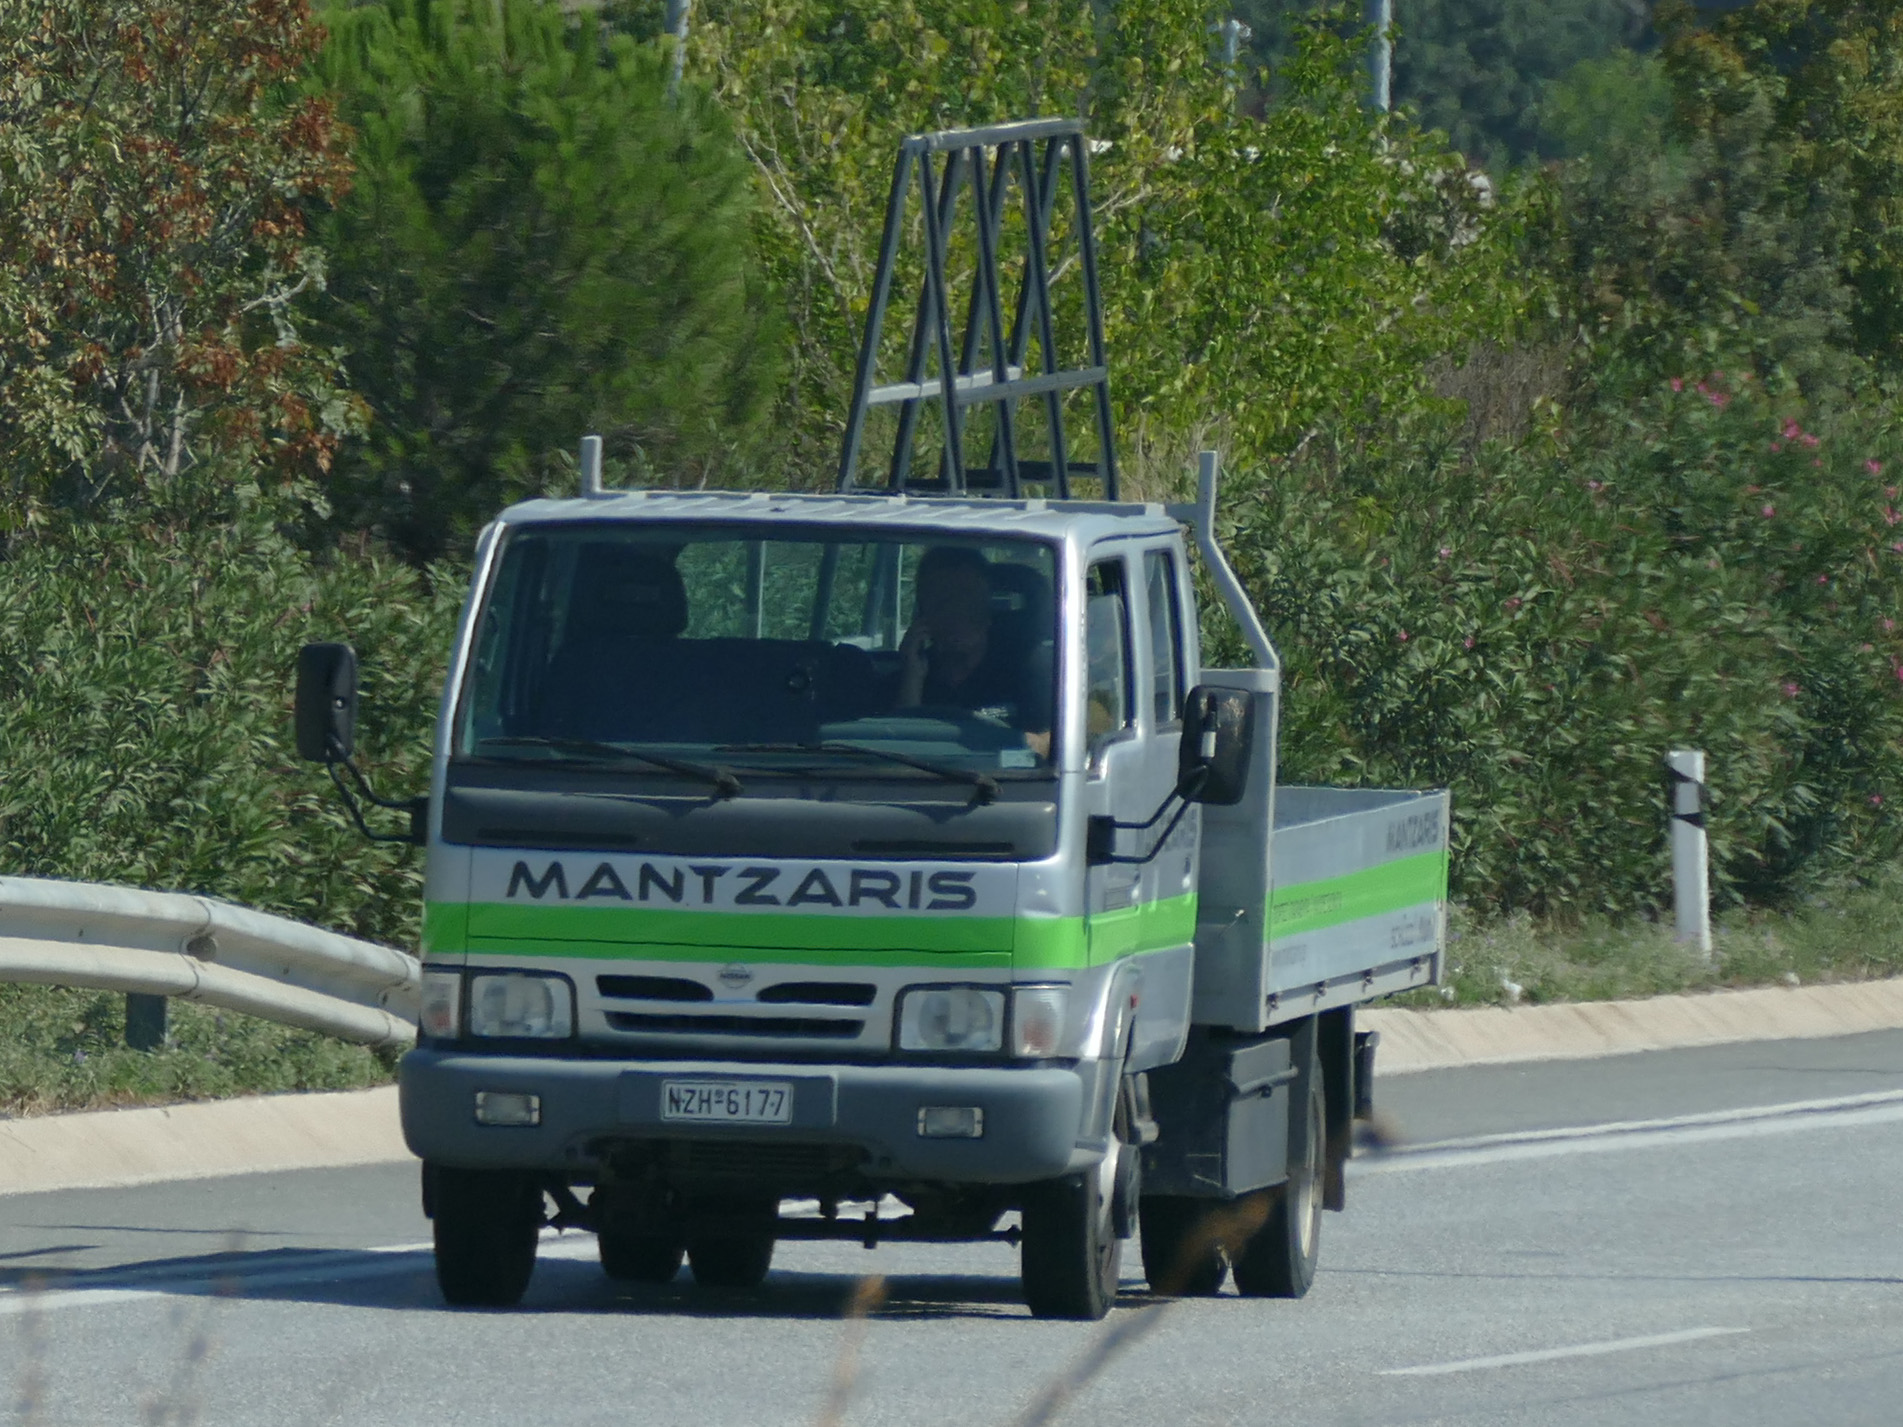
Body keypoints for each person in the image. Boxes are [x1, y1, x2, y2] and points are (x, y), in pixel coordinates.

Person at [897, 546, 1052, 755]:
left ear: (988, 608)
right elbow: (894, 748)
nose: (957, 614)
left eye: (968, 600)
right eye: (944, 602)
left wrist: (1021, 742)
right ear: (923, 612)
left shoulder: (1031, 671)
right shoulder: (909, 674)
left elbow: (1055, 744)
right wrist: (911, 679)